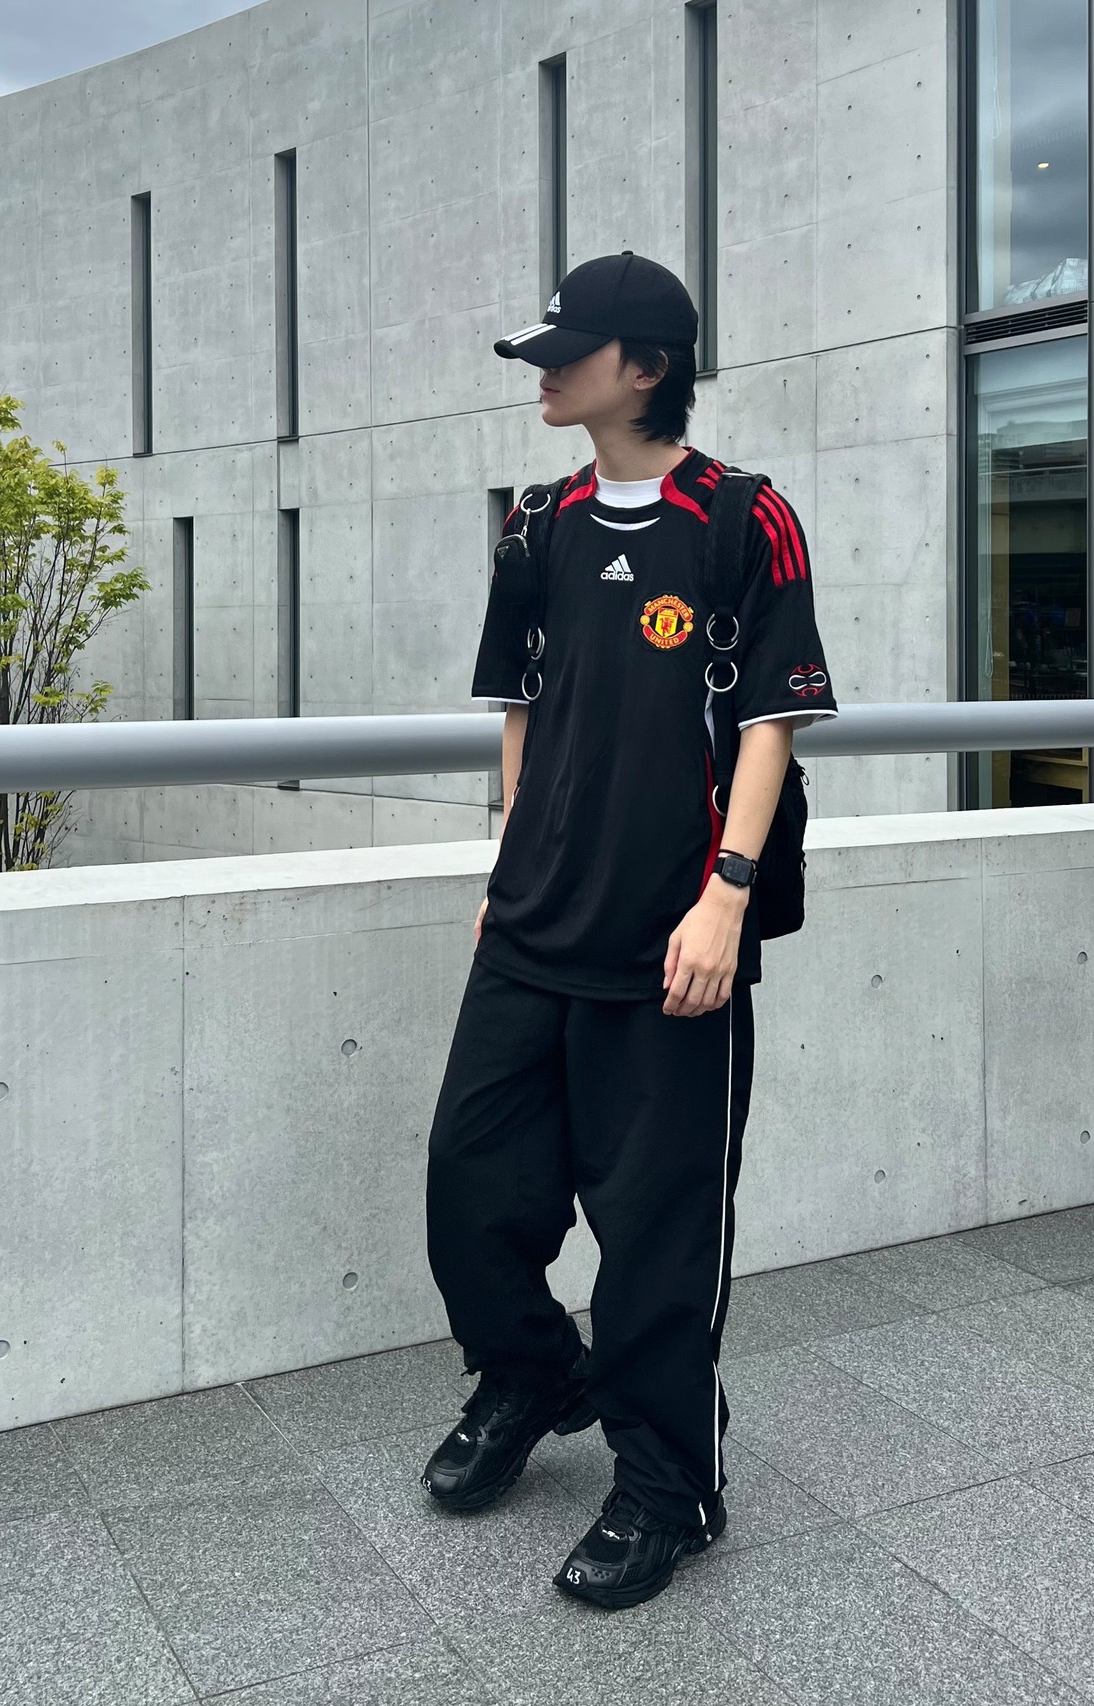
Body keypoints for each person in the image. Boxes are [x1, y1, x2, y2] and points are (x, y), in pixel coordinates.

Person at [420, 251, 838, 1610]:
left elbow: (771, 721)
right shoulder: (537, 523)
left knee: (659, 1241)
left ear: (646, 367)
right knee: (471, 1191)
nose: (545, 373)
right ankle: (533, 1373)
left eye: (570, 351)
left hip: (676, 944)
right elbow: (522, 706)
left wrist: (727, 894)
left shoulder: (743, 519)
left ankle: (668, 1486)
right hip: (533, 924)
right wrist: (508, 860)